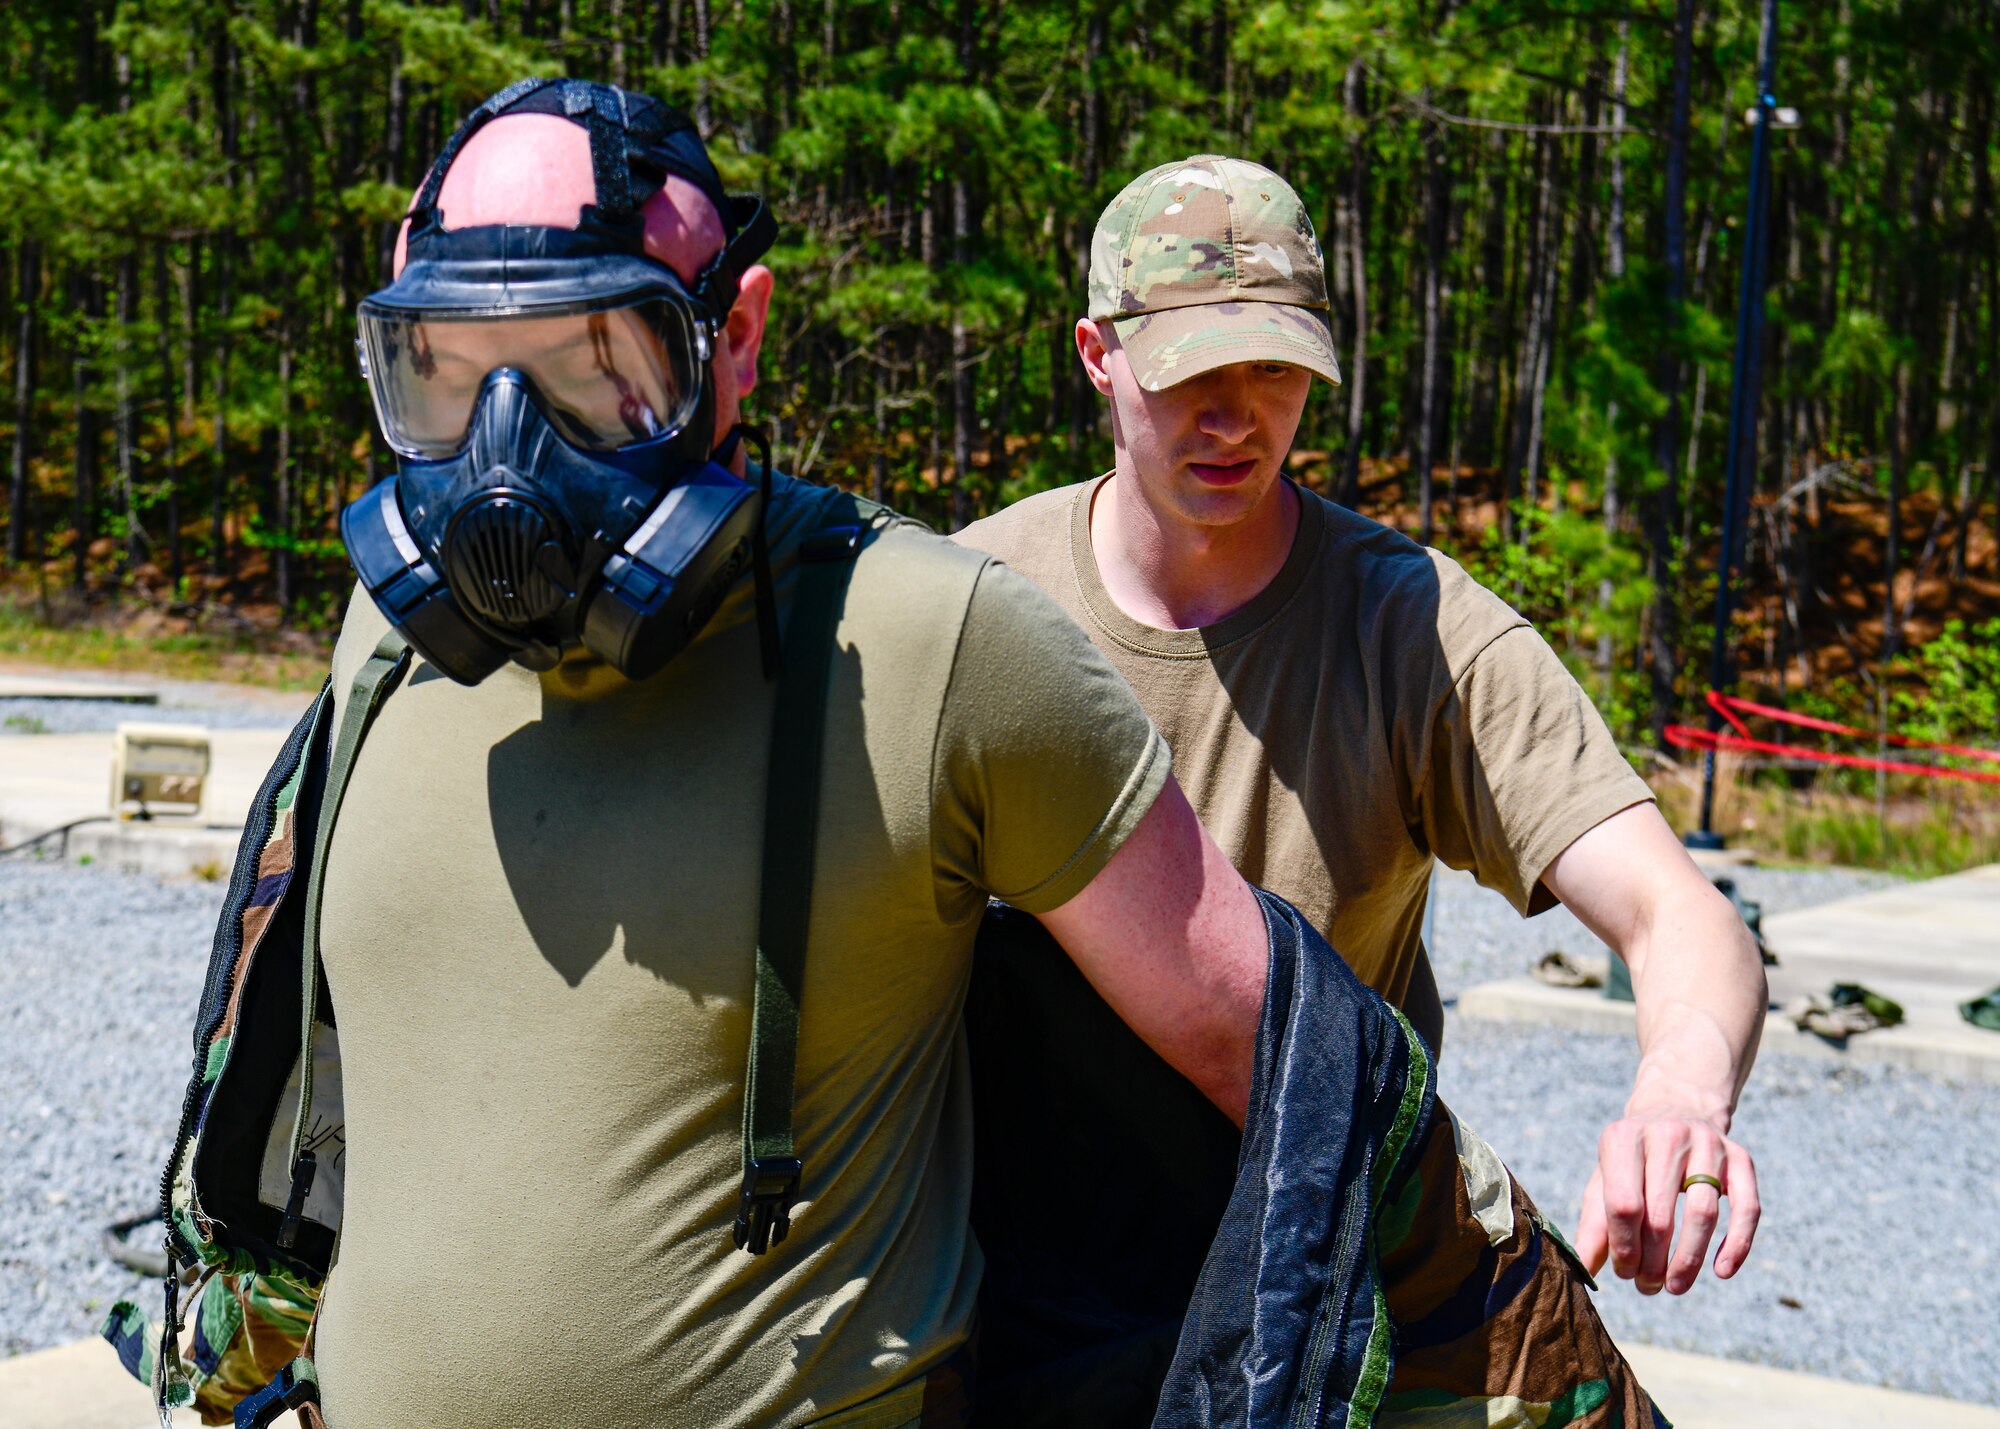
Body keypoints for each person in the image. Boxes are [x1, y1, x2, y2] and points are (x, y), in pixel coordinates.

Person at [295, 83, 1276, 1429]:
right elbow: (313, 1083)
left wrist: (1513, 1359)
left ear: (735, 335)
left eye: (597, 369)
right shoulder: (385, 640)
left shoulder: (937, 638)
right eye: (451, 373)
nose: (508, 464)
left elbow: (1278, 1059)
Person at [955, 154, 1767, 1305]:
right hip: (1015, 1268)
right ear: (1097, 356)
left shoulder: (1414, 629)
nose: (1235, 415)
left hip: (1307, 1269)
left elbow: (1675, 909)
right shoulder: (975, 602)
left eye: (1274, 369)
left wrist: (1677, 1095)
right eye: (1190, 369)